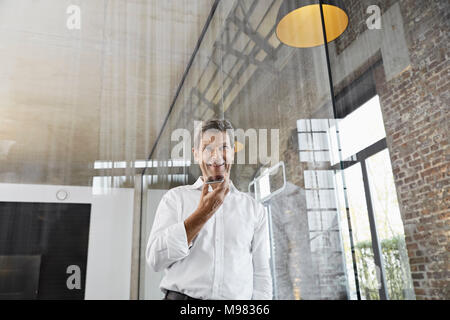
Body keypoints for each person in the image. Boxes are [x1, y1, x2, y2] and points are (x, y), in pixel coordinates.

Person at [146, 119, 272, 300]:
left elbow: (261, 274)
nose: (216, 156)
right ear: (196, 155)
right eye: (207, 148)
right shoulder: (175, 199)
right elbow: (155, 259)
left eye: (224, 147)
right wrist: (202, 214)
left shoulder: (254, 210)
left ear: (233, 153)